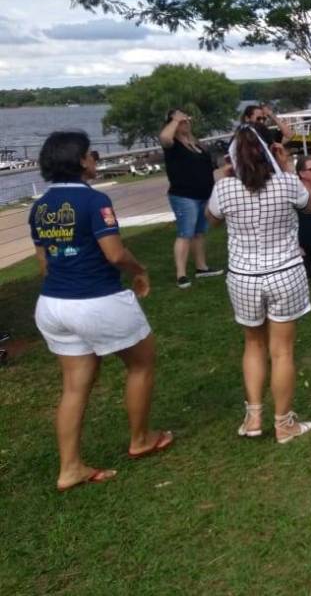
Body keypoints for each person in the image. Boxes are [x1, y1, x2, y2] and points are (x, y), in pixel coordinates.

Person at [29, 130, 171, 491]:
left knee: (74, 386)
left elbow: (43, 263)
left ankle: (70, 467)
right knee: (141, 363)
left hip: (52, 304)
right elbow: (115, 253)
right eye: (91, 153)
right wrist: (139, 270)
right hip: (95, 300)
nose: (95, 159)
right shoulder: (95, 201)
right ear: (80, 161)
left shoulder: (40, 207)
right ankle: (141, 439)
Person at [207, 126, 311, 445]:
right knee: (282, 352)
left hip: (243, 278)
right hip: (285, 273)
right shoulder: (286, 182)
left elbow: (211, 219)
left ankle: (254, 416)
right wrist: (286, 167)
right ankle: (284, 423)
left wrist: (224, 177)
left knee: (253, 345)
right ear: (272, 149)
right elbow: (309, 204)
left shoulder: (225, 188)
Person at [159, 108, 223, 288]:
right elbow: (164, 137)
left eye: (187, 120)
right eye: (182, 121)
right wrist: (175, 120)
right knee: (185, 233)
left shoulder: (195, 143)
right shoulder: (173, 145)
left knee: (199, 232)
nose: (186, 123)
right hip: (184, 195)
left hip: (203, 194)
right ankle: (181, 274)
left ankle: (201, 267)